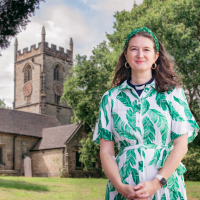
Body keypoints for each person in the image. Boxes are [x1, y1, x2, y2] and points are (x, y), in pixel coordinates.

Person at [93, 27, 199, 200]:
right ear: (126, 56)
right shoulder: (110, 98)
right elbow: (107, 152)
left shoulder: (173, 93)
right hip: (125, 187)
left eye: (146, 49)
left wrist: (157, 182)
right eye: (134, 49)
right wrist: (120, 187)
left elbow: (181, 145)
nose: (139, 54)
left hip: (166, 186)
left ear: (156, 57)